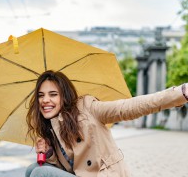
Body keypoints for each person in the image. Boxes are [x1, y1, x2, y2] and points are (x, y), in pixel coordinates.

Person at [25, 70, 188, 177]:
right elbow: (70, 170)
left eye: (53, 94)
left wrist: (178, 94)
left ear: (64, 97)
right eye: (41, 95)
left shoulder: (87, 108)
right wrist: (49, 154)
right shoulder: (51, 129)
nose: (45, 100)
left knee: (40, 173)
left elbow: (128, 108)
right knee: (32, 169)